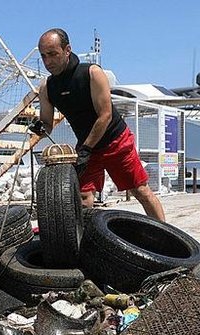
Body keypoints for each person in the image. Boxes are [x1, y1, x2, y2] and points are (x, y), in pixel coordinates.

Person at [34, 28, 165, 221]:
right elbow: (47, 124)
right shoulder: (47, 87)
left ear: (67, 50)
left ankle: (168, 236)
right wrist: (39, 128)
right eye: (43, 56)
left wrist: (86, 148)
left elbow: (105, 115)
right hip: (87, 146)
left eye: (53, 54)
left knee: (141, 191)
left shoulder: (92, 73)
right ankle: (80, 242)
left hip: (115, 141)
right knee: (84, 197)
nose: (48, 62)